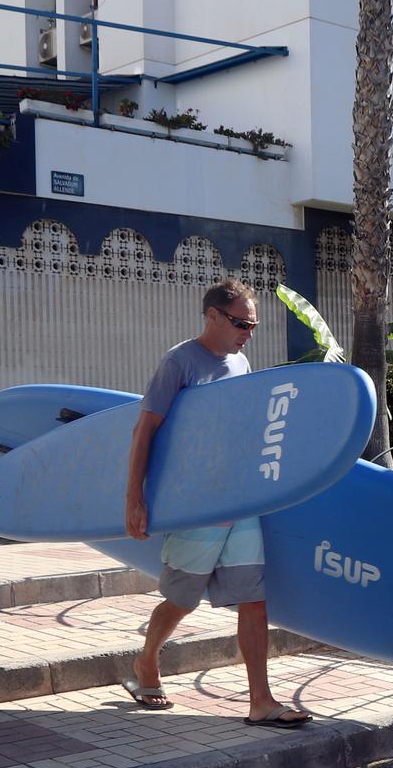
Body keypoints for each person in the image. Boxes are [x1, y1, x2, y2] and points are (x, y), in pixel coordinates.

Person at [121, 279, 312, 728]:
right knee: (181, 598)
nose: (249, 333)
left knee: (254, 598)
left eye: (253, 325)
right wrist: (135, 498)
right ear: (212, 316)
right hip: (198, 504)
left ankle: (261, 701)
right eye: (242, 323)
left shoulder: (241, 362)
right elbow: (143, 431)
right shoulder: (179, 363)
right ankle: (146, 661)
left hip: (239, 499)